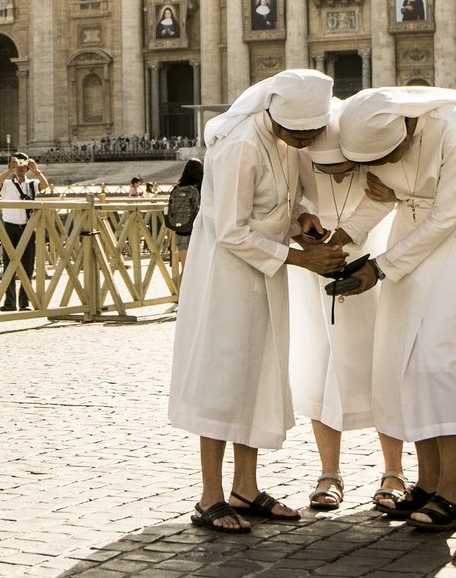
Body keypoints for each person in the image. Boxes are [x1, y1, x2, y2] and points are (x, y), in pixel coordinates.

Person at [170, 69, 347, 534]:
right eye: (303, 132)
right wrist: (301, 259)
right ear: (277, 116)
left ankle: (244, 488)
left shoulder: (287, 141)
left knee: (258, 372)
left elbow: (278, 207)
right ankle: (209, 495)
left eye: (314, 132)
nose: (309, 140)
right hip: (227, 276)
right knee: (223, 375)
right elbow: (230, 228)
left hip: (264, 273)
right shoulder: (240, 143)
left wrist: (302, 219)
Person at [333, 85, 456, 533]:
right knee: (405, 358)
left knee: (441, 357)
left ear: (404, 131)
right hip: (411, 233)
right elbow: (379, 196)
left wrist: (381, 268)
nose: (389, 165)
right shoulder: (373, 133)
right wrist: (341, 238)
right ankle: (426, 484)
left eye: (392, 156)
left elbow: (445, 217)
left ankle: (453, 491)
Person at [288, 102, 405, 516]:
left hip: (372, 260)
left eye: (344, 167)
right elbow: (288, 202)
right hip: (314, 265)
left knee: (382, 363)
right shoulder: (297, 152)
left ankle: (394, 472)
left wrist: (351, 233)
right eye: (326, 169)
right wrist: (304, 224)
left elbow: (392, 198)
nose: (336, 175)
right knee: (320, 363)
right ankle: (329, 472)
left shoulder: (370, 151)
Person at [0, 152, 50, 311]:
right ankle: (10, 302)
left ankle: (24, 302)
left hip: (27, 228)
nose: (20, 169)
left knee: (27, 266)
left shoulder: (31, 184)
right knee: (8, 265)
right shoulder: (7, 184)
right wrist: (8, 171)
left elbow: (45, 185)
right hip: (10, 227)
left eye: (23, 165)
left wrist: (36, 170)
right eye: (17, 165)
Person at [166, 158, 204, 283]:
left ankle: (180, 300)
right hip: (195, 232)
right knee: (197, 270)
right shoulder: (199, 187)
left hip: (180, 230)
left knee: (185, 269)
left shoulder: (178, 187)